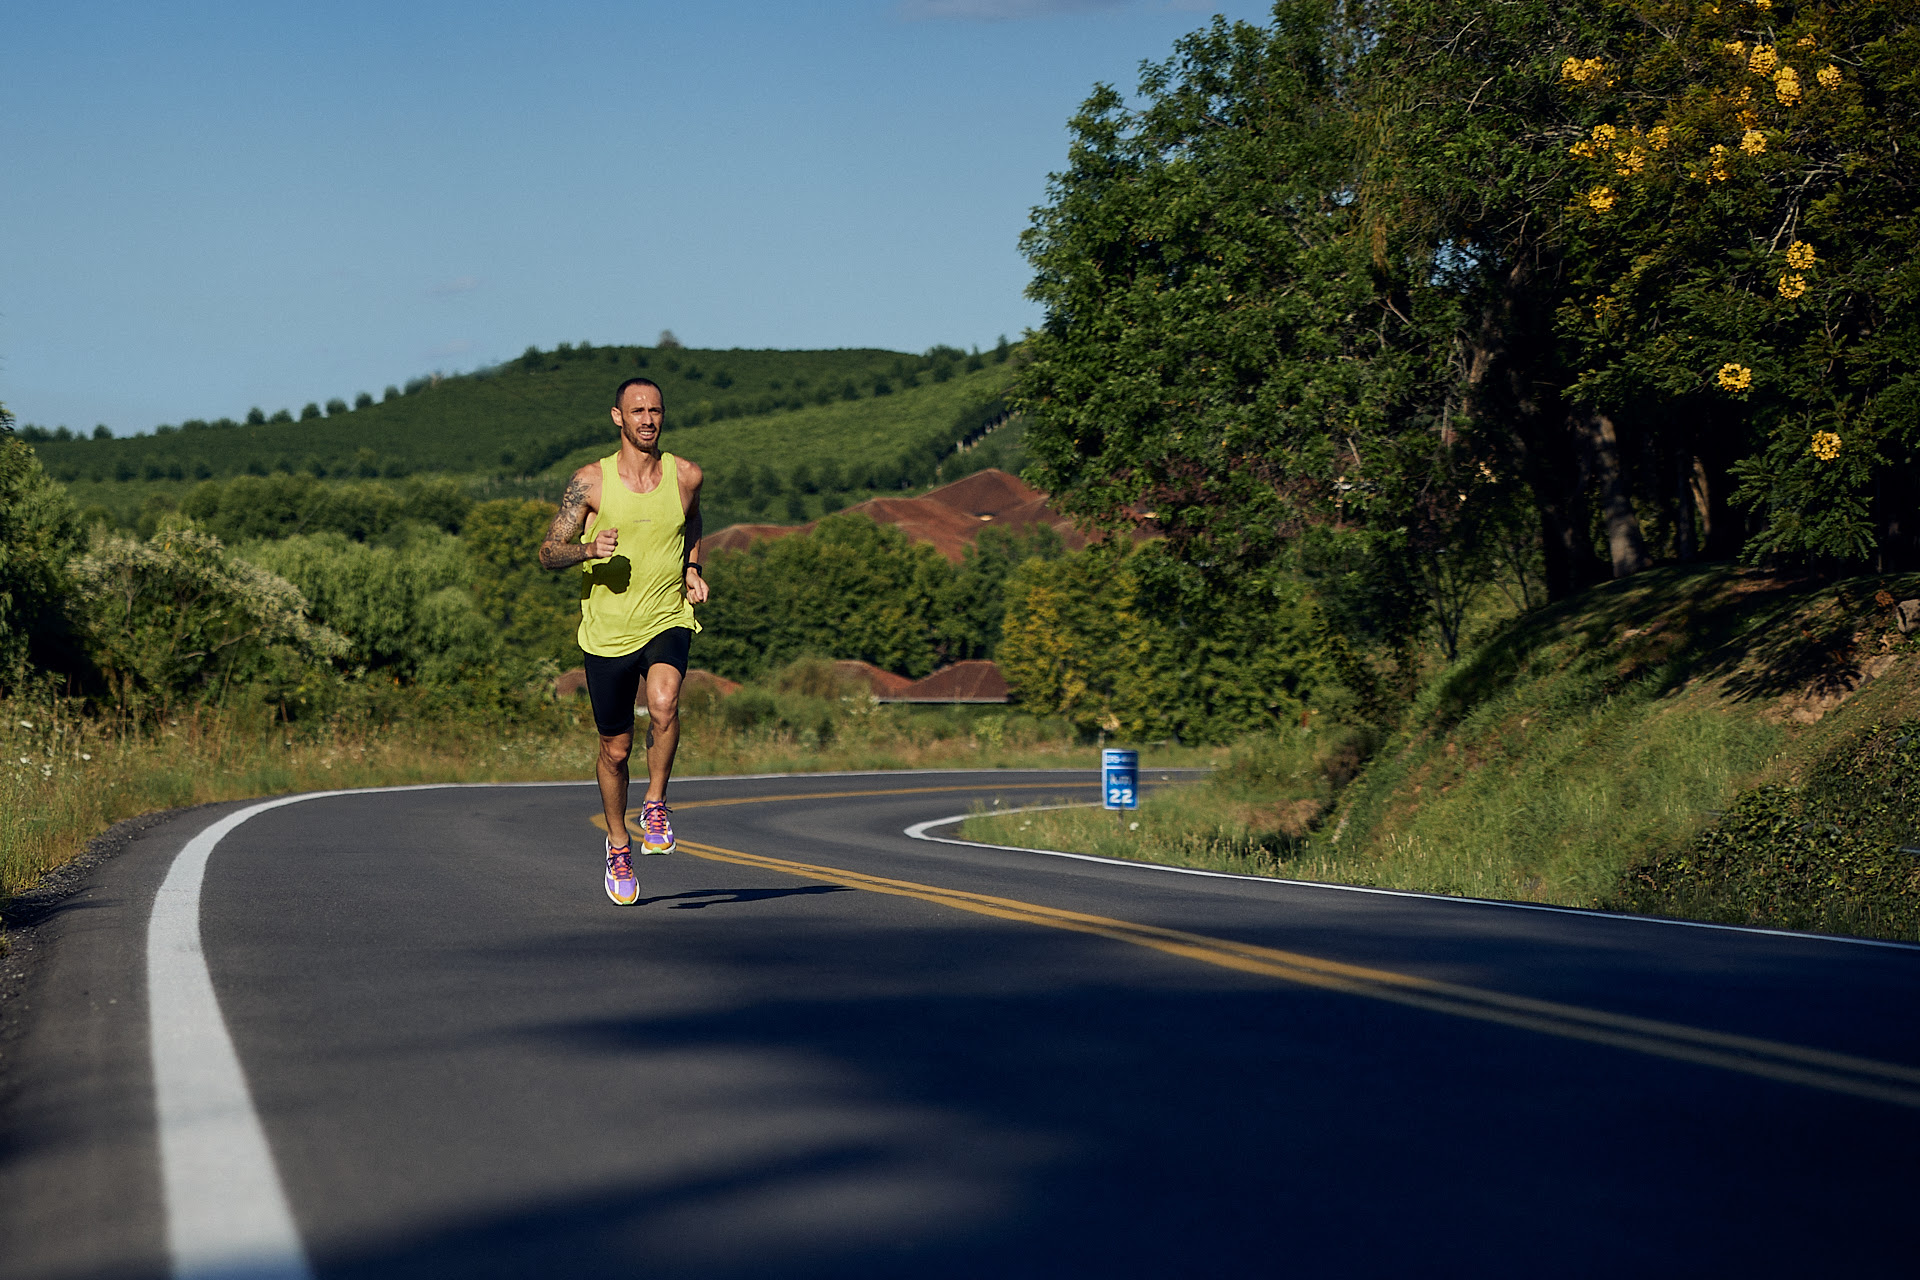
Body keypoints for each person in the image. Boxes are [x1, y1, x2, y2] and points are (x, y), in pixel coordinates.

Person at [539, 377, 709, 904]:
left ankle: (655, 802)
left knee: (664, 702)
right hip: (607, 633)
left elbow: (694, 519)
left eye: (655, 411)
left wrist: (693, 566)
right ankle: (617, 845)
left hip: (665, 616)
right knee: (615, 750)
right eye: (637, 411)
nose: (647, 420)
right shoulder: (590, 483)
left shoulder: (685, 475)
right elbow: (547, 552)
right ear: (617, 417)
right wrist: (588, 550)